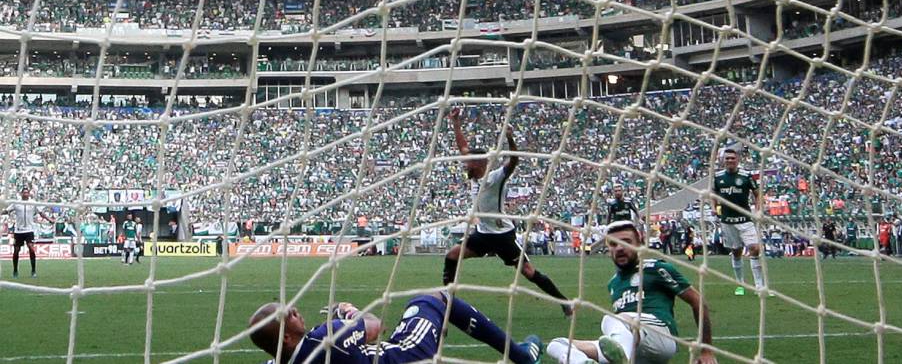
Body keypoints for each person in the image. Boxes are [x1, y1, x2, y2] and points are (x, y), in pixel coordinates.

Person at [442, 108, 572, 317]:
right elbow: (463, 148)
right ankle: (448, 302)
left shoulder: (494, 179)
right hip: (484, 235)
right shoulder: (475, 177)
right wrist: (456, 123)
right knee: (452, 256)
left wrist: (511, 140)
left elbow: (512, 163)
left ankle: (563, 301)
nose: (464, 164)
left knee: (529, 272)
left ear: (478, 163)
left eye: (468, 162)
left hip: (503, 236)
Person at [546, 221, 716, 364]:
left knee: (611, 319)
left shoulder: (656, 268)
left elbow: (697, 301)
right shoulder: (613, 283)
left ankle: (621, 359)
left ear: (639, 244)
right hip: (633, 344)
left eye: (626, 242)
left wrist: (706, 349)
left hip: (661, 336)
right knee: (557, 345)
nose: (619, 248)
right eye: (613, 244)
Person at [248, 292, 544, 364]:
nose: (297, 312)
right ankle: (523, 357)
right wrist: (350, 312)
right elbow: (376, 326)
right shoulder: (326, 337)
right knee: (435, 299)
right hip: (406, 354)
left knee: (438, 327)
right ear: (286, 337)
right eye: (291, 315)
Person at [712, 145, 765, 296]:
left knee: (754, 248)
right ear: (723, 160)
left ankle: (759, 286)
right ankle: (740, 283)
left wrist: (758, 209)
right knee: (736, 252)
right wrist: (713, 208)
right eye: (727, 158)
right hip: (727, 220)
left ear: (738, 160)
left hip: (745, 219)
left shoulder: (746, 176)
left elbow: (757, 193)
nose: (730, 161)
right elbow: (713, 194)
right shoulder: (718, 177)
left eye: (733, 158)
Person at [2, 187, 53, 278]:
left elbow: (41, 213)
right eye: (24, 193)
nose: (25, 194)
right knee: (16, 250)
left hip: (29, 230)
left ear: (29, 194)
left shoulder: (33, 202)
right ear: (21, 194)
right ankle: (15, 271)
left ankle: (33, 271)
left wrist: (49, 219)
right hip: (18, 230)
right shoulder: (16, 203)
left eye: (27, 192)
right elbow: (7, 210)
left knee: (31, 248)